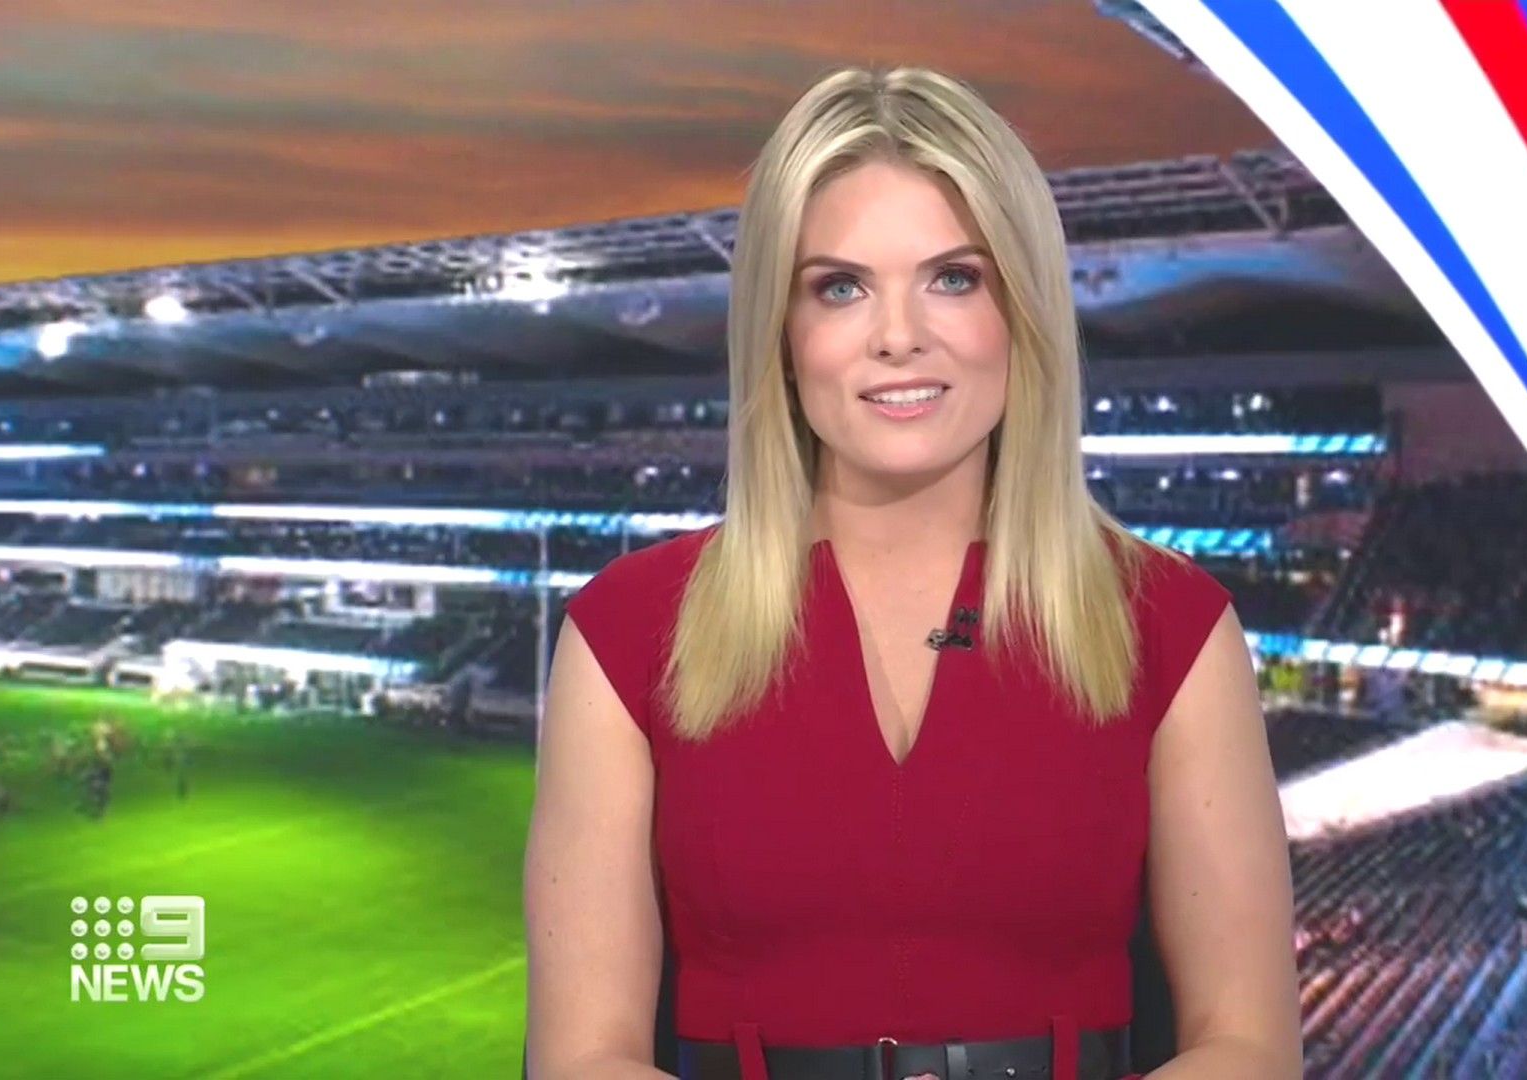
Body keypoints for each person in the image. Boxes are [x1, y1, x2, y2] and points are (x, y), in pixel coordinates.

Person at [524, 66, 1301, 1080]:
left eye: (954, 278)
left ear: (1022, 310)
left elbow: (1249, 1046)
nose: (899, 336)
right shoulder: (627, 633)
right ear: (781, 333)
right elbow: (581, 1057)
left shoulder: (1172, 626)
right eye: (840, 287)